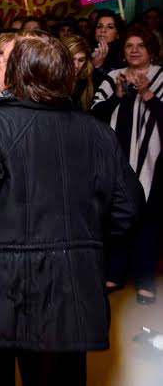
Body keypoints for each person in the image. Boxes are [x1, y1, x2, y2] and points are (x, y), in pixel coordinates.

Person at [0, 35, 144, 386]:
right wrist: (82, 249)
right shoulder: (98, 134)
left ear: (17, 76)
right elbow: (128, 209)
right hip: (66, 299)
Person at [92, 25, 162, 305]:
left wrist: (147, 94)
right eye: (129, 46)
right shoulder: (112, 77)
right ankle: (115, 271)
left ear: (151, 50)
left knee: (149, 221)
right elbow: (95, 115)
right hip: (116, 161)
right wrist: (118, 96)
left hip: (154, 163)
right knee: (116, 216)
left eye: (140, 46)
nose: (134, 50)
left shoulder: (161, 78)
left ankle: (145, 279)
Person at [62, 35, 94, 112]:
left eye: (81, 60)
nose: (76, 65)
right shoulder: (51, 81)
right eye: (72, 59)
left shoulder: (86, 82)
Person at [91, 9, 126, 78]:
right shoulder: (86, 53)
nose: (103, 30)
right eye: (99, 26)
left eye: (110, 27)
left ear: (117, 34)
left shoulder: (123, 57)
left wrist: (99, 67)